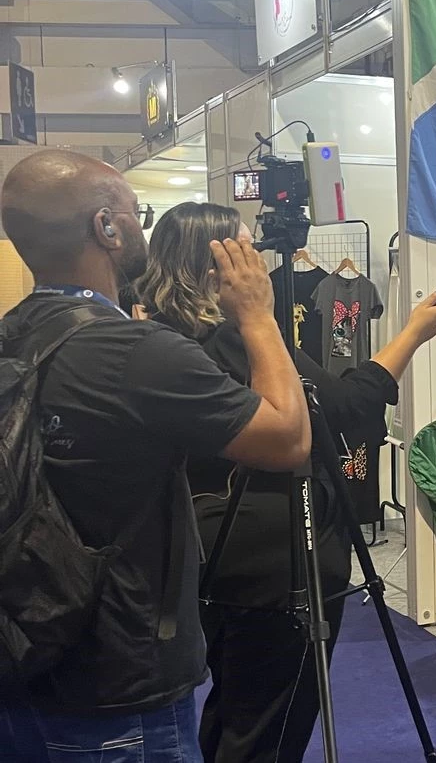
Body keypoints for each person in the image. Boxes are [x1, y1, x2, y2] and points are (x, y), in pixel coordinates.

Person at [0, 150, 309, 761]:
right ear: (105, 228)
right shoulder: (137, 351)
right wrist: (257, 316)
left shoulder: (12, 336)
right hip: (118, 682)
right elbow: (288, 439)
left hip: (21, 660)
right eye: (134, 213)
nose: (142, 227)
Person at [136, 202, 436, 763]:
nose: (261, 262)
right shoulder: (240, 341)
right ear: (217, 267)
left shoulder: (160, 341)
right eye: (247, 250)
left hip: (205, 557)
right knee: (269, 727)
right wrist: (412, 333)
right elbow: (345, 408)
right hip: (278, 566)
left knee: (236, 713)